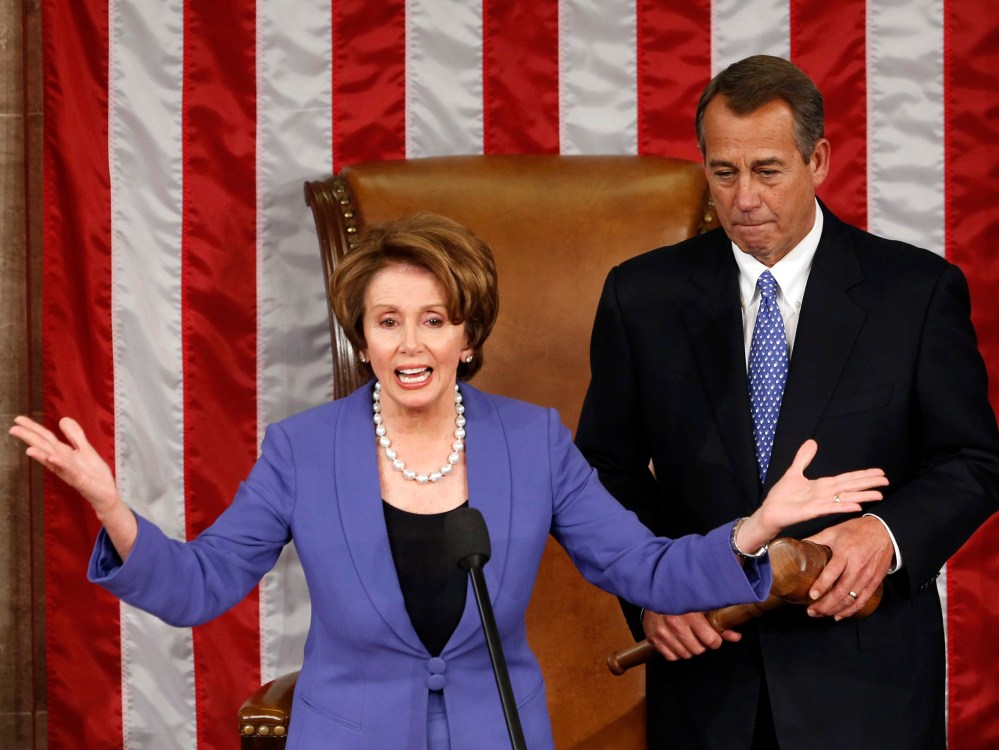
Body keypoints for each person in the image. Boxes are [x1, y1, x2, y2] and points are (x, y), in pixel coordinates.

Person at [11, 213, 887, 750]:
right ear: (362, 338)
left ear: (468, 336)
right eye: (386, 322)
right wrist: (114, 509)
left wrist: (752, 528)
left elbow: (644, 569)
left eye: (433, 320)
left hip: (495, 734)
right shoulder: (300, 451)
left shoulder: (531, 443)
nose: (409, 344)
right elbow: (200, 588)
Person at [576, 54, 999, 750]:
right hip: (706, 675)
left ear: (818, 160)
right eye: (723, 172)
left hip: (864, 684)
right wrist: (651, 587)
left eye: (767, 171)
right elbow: (603, 468)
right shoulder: (640, 296)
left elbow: (971, 459)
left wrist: (883, 536)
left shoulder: (913, 293)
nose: (744, 198)